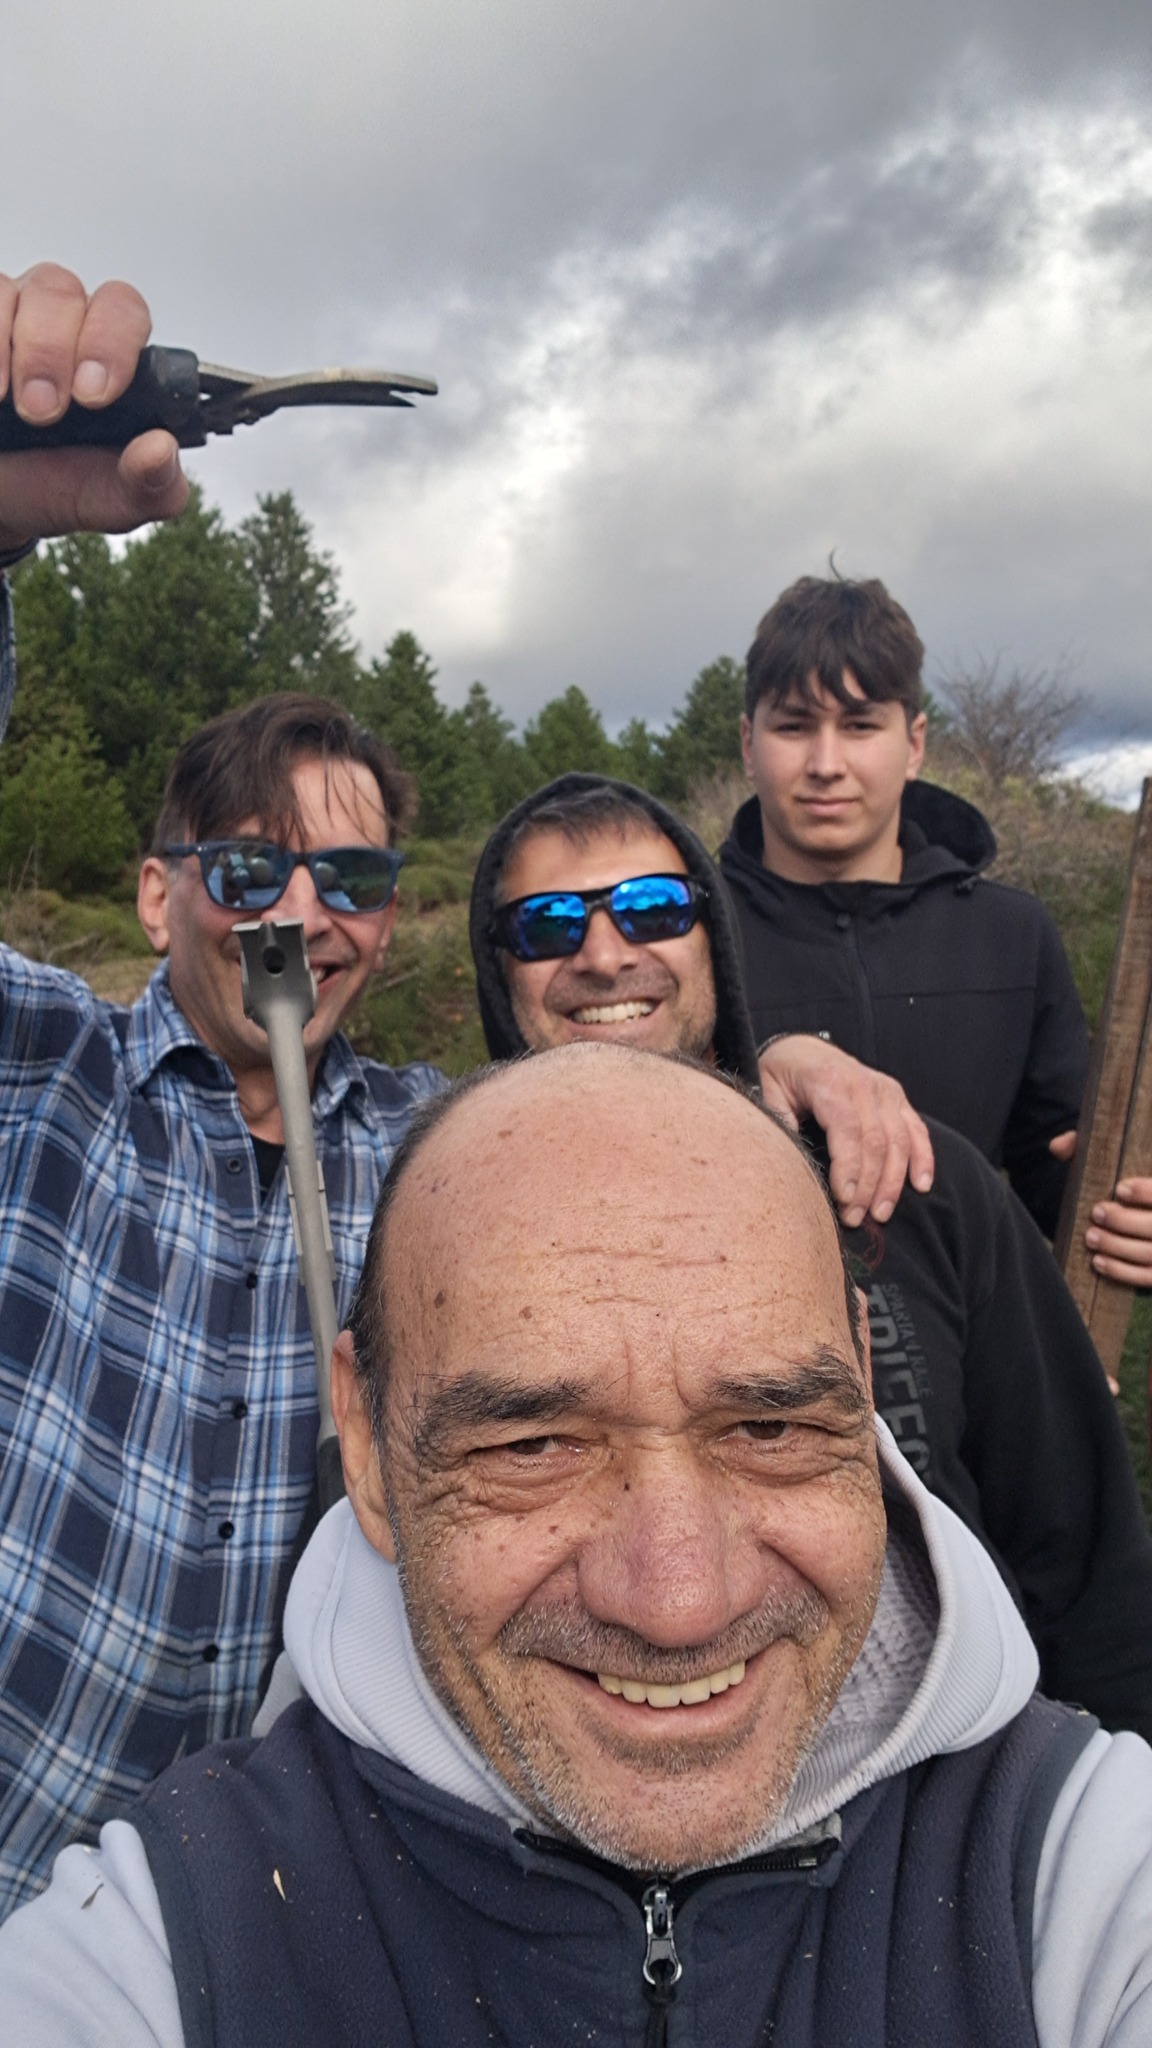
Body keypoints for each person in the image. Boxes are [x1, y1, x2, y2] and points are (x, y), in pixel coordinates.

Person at [0, 263, 938, 1907]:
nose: (301, 917)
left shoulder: (438, 1150)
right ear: (155, 896)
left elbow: (621, 1097)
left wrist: (773, 1059)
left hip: (258, 1908)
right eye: (247, 871)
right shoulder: (37, 1074)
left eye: (353, 878)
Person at [5, 1044, 1152, 2045]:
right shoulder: (162, 1942)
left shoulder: (1090, 1869)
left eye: (766, 1427)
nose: (680, 1600)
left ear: (862, 1371)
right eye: (535, 1444)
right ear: (364, 1440)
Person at [467, 772, 1152, 1736]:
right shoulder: (461, 1249)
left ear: (713, 937)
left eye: (654, 908)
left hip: (955, 1772)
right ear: (500, 970)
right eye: (546, 925)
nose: (606, 953)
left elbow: (1082, 1547)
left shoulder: (916, 1184)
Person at [718, 573, 1152, 1280]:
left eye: (860, 726)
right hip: (745, 1338)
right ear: (747, 742)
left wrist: (1125, 1212)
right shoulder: (685, 943)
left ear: (914, 742)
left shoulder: (1012, 935)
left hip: (970, 1337)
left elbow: (1058, 1185)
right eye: (793, 726)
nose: (826, 764)